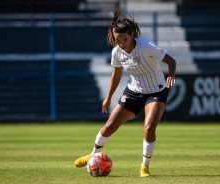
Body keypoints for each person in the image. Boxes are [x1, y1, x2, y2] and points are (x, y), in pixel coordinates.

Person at [75, 7, 176, 177]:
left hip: (156, 91)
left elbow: (171, 61)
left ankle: (145, 166)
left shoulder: (146, 47)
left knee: (149, 127)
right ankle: (93, 155)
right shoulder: (117, 52)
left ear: (131, 35)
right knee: (109, 126)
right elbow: (116, 76)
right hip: (134, 91)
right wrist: (108, 98)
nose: (121, 43)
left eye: (124, 39)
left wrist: (171, 76)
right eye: (118, 40)